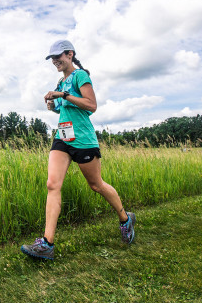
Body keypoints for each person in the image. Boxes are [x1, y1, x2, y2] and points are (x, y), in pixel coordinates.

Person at [21, 40, 135, 261]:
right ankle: (47, 244)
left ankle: (125, 218)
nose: (55, 61)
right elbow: (66, 109)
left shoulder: (81, 75)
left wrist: (63, 96)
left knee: (96, 185)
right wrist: (53, 106)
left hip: (82, 138)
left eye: (58, 56)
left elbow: (91, 105)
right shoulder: (60, 81)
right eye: (51, 58)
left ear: (70, 54)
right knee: (52, 184)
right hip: (63, 136)